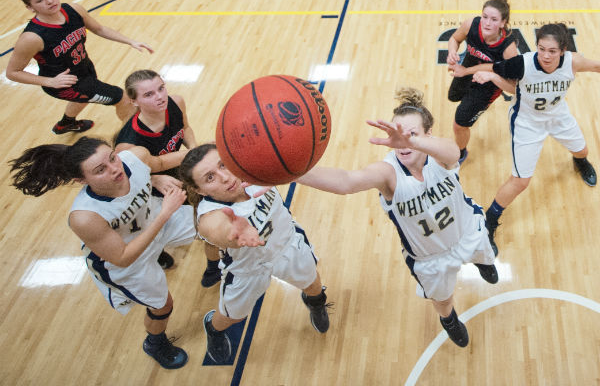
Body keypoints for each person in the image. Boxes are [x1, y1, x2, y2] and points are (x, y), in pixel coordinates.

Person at [296, 87, 498, 347]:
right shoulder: (388, 173)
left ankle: (481, 261)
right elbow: (346, 181)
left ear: (428, 135)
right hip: (431, 258)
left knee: (484, 252)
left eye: (412, 134)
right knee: (443, 301)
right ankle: (448, 320)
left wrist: (412, 142)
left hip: (467, 230)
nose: (403, 141)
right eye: (398, 133)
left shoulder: (440, 156)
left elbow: (453, 152)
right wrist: (292, 173)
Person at [9, 136, 196, 369]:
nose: (115, 169)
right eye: (100, 170)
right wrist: (165, 214)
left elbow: (158, 162)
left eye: (112, 158)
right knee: (163, 305)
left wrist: (210, 151)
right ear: (81, 180)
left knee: (208, 220)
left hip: (152, 220)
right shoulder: (84, 217)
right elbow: (123, 256)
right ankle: (155, 343)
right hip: (124, 261)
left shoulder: (134, 157)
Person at [178, 144, 332, 364]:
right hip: (247, 270)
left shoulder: (253, 171)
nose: (224, 177)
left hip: (286, 245)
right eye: (210, 177)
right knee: (233, 316)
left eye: (223, 165)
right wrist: (233, 233)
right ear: (200, 190)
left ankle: (316, 303)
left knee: (312, 283)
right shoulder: (208, 216)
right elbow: (216, 230)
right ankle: (213, 329)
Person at [455, 23, 599, 250]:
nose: (545, 55)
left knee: (583, 151)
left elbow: (596, 66)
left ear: (563, 50)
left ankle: (580, 161)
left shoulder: (574, 61)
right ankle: (489, 220)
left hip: (558, 116)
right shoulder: (522, 63)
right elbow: (512, 87)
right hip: (527, 123)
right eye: (541, 48)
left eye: (552, 51)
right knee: (521, 181)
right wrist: (490, 77)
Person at [6, 0, 153, 134]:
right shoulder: (32, 37)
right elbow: (13, 72)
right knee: (122, 98)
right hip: (64, 84)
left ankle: (66, 124)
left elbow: (99, 28)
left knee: (84, 97)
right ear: (30, 7)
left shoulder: (73, 10)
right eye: (39, 0)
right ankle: (131, 140)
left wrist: (131, 41)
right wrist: (50, 81)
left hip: (84, 68)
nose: (49, 1)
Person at [113, 70, 220, 282]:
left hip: (179, 170)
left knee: (206, 215)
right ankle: (156, 250)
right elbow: (123, 181)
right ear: (134, 101)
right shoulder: (128, 143)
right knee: (155, 229)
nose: (160, 96)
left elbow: (186, 128)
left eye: (161, 88)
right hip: (149, 189)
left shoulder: (176, 102)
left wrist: (195, 151)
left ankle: (213, 267)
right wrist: (153, 179)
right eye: (149, 94)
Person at [446, 0, 518, 163]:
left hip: (490, 83)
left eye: (494, 19)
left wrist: (466, 72)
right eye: (485, 17)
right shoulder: (471, 24)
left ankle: (461, 152)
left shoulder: (508, 49)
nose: (486, 23)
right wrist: (451, 51)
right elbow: (454, 39)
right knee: (453, 96)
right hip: (470, 67)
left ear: (503, 23)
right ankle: (470, 104)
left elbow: (513, 86)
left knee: (460, 123)